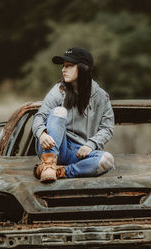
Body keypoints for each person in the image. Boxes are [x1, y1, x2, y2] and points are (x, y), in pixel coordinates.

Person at [32, 47, 115, 183]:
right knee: (59, 111)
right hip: (55, 147)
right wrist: (42, 134)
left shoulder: (101, 97)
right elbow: (39, 117)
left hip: (80, 153)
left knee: (107, 160)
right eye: (63, 66)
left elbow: (107, 128)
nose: (63, 70)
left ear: (83, 68)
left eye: (69, 66)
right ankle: (48, 165)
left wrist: (91, 145)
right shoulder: (58, 91)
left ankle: (62, 172)